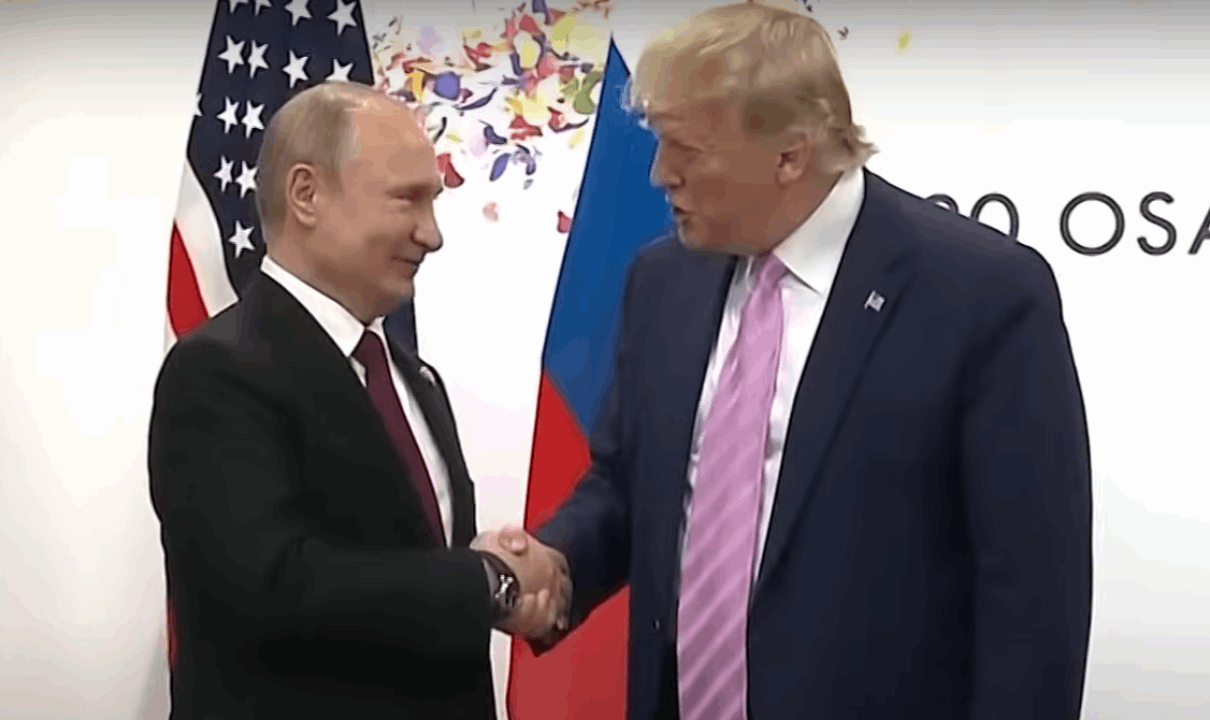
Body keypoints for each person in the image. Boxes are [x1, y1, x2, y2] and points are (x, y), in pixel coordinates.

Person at [475, 4, 1093, 719]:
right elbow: (627, 484)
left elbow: (1032, 594)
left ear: (790, 154)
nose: (660, 174)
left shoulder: (979, 294)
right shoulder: (662, 281)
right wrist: (556, 564)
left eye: (685, 149)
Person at [148, 81, 567, 719]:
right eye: (407, 200)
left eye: (432, 203)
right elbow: (270, 585)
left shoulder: (414, 377)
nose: (432, 234)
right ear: (306, 195)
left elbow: (403, 560)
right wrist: (482, 582)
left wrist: (501, 571)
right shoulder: (215, 371)